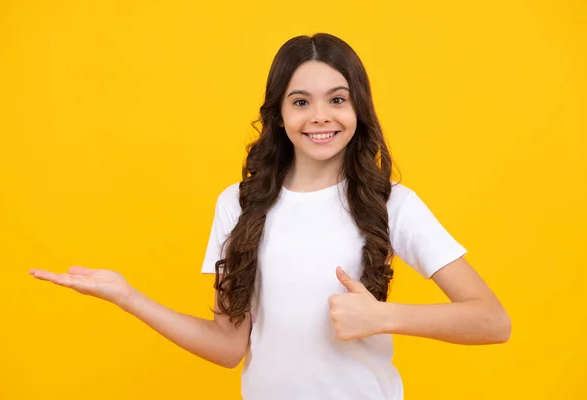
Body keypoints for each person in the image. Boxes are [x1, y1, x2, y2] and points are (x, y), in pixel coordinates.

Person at [29, 33, 511, 400]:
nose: (320, 116)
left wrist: (383, 317)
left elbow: (492, 322)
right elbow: (226, 346)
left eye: (337, 99)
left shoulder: (393, 204)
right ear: (279, 114)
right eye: (301, 102)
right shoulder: (238, 205)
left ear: (358, 109)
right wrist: (128, 297)